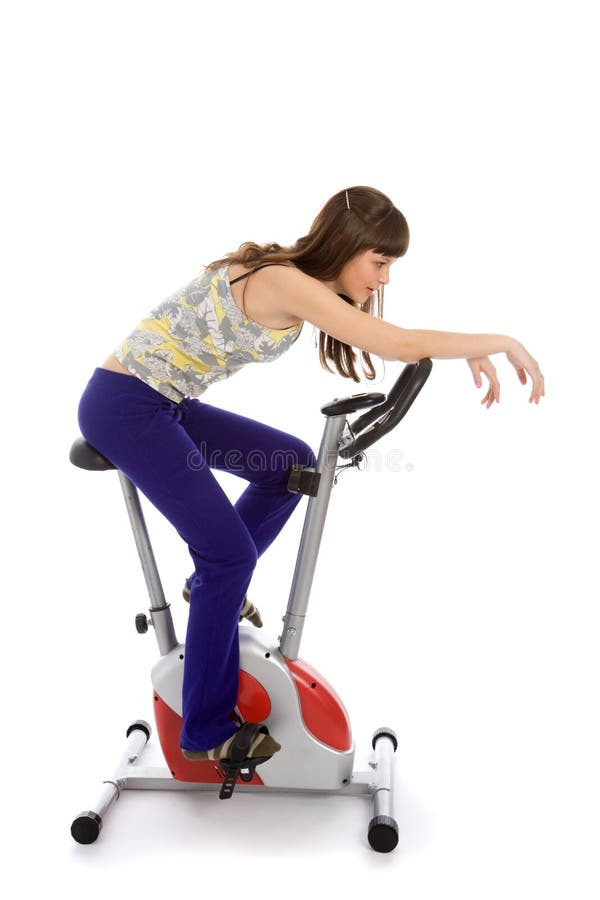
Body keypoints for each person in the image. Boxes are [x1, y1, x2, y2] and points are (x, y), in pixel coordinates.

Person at [76, 185, 545, 769]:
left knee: (290, 465)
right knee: (228, 557)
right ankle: (205, 728)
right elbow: (395, 342)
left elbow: (391, 338)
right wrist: (498, 341)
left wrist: (460, 350)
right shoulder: (285, 281)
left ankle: (207, 590)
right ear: (345, 246)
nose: (385, 278)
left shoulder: (303, 282)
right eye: (379, 262)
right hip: (125, 405)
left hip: (161, 402)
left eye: (390, 265)